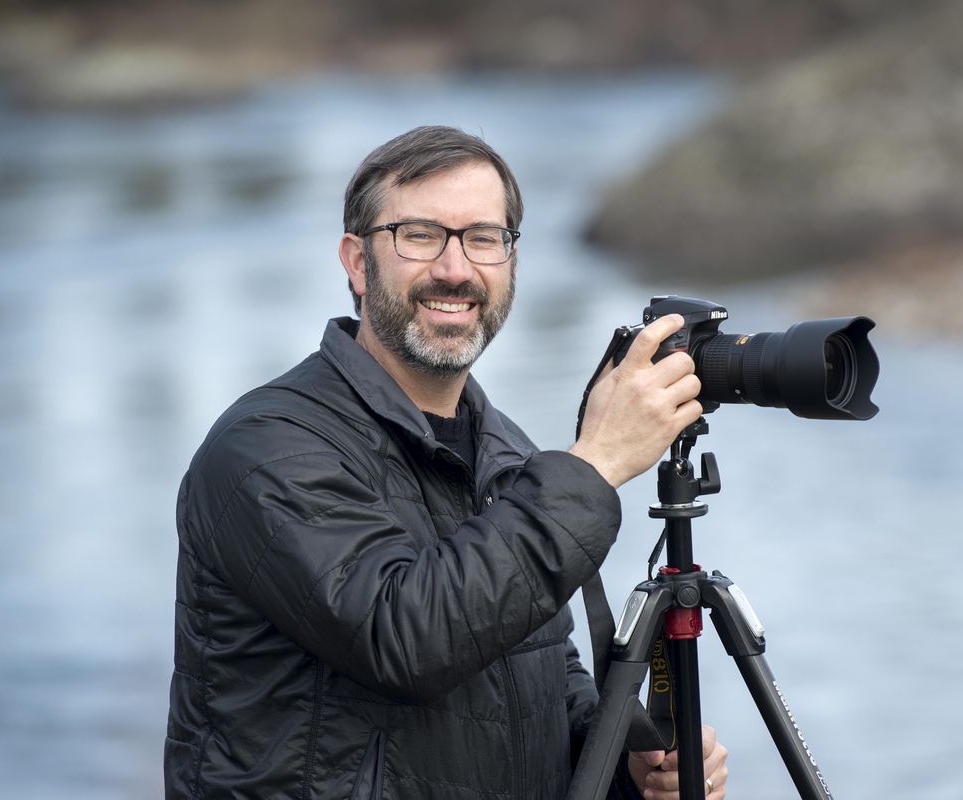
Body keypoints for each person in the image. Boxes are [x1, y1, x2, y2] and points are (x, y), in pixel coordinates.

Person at [164, 125, 729, 799]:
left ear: (511, 261)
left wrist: (631, 767)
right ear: (356, 260)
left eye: (483, 238)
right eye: (420, 235)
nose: (455, 269)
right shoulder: (267, 447)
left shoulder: (507, 449)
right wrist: (595, 463)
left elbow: (540, 685)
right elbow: (405, 639)